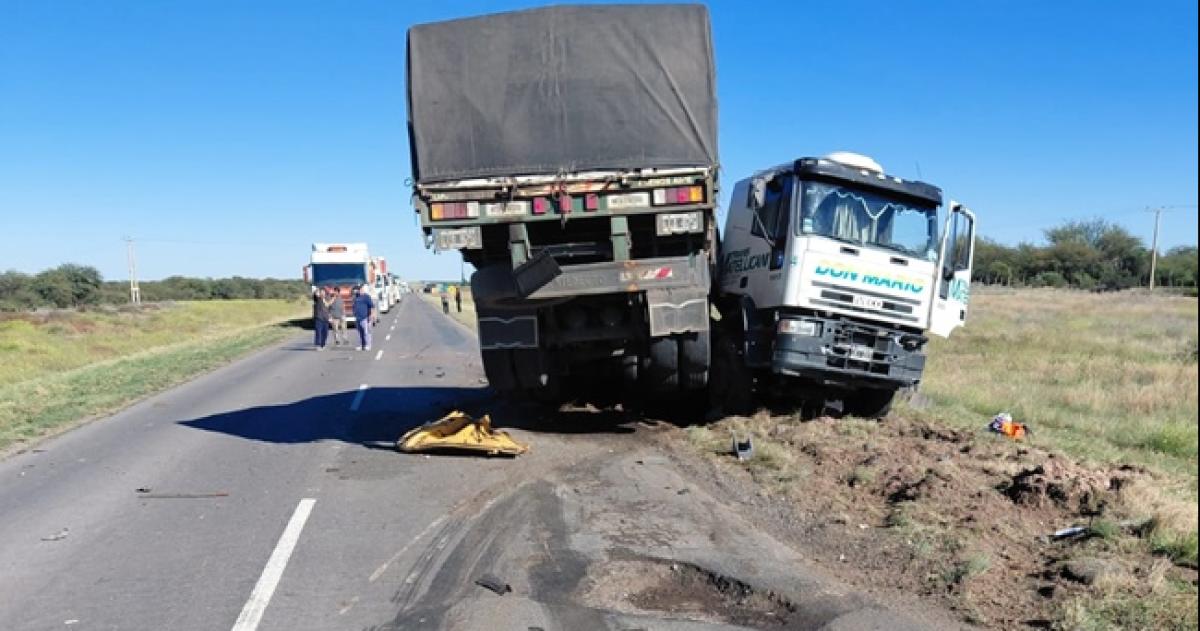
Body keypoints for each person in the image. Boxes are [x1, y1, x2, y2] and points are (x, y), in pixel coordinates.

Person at [353, 283, 376, 351]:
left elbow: (372, 306)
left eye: (359, 289)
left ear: (362, 289)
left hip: (365, 318)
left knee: (366, 332)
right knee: (360, 333)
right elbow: (354, 306)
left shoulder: (366, 297)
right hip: (358, 318)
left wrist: (371, 315)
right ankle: (361, 345)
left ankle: (368, 345)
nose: (358, 291)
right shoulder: (356, 297)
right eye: (357, 289)